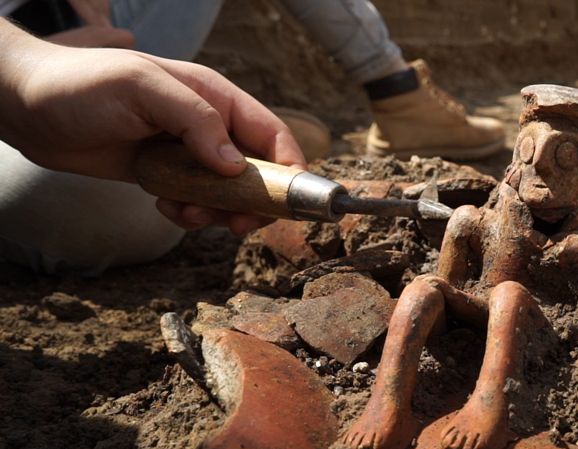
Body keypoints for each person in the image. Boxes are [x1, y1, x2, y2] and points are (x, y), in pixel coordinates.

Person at [0, 0, 505, 275]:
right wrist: (22, 68)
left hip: (79, 34)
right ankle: (192, 126)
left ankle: (398, 94)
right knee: (122, 210)